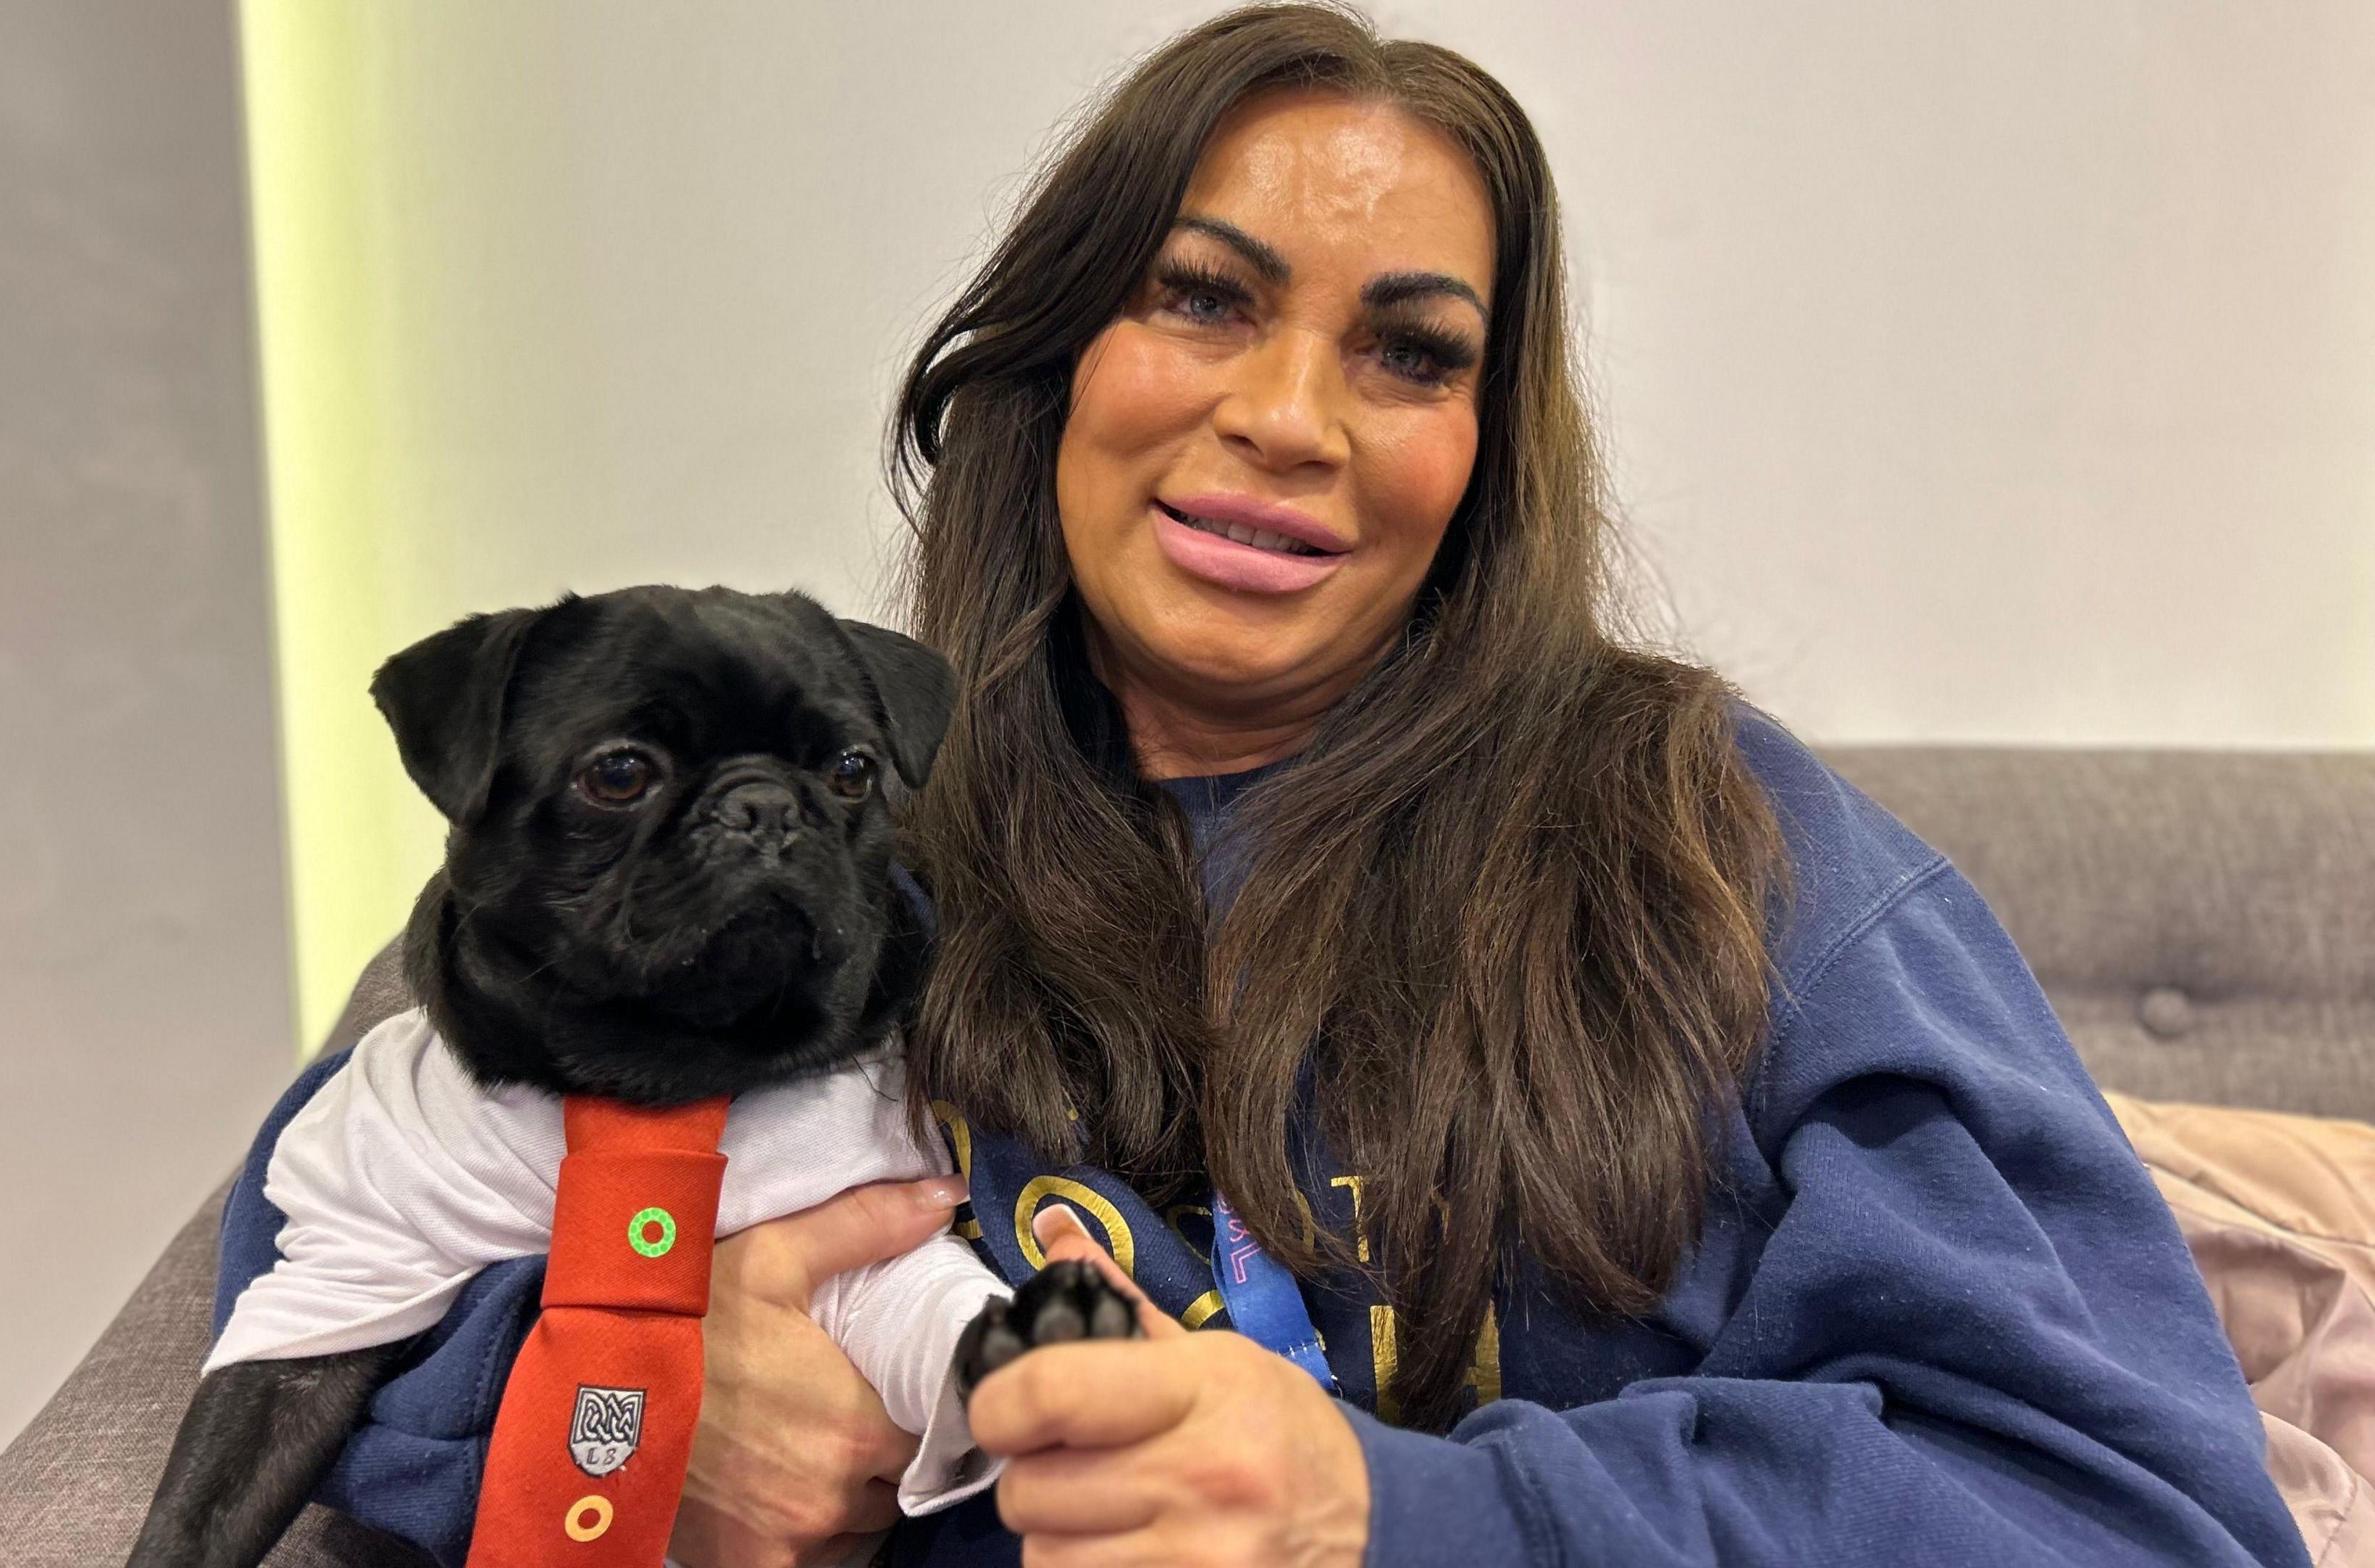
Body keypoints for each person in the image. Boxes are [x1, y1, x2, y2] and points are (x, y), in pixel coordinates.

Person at [216, 6, 2302, 1565]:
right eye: (1199, 298)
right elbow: (334, 1233)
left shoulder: (1723, 853)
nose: (1288, 418)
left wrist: (1388, 1515)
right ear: (1048, 367)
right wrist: (630, 1404)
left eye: (1408, 353)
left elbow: (2135, 1509)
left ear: (1484, 453)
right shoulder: (836, 838)